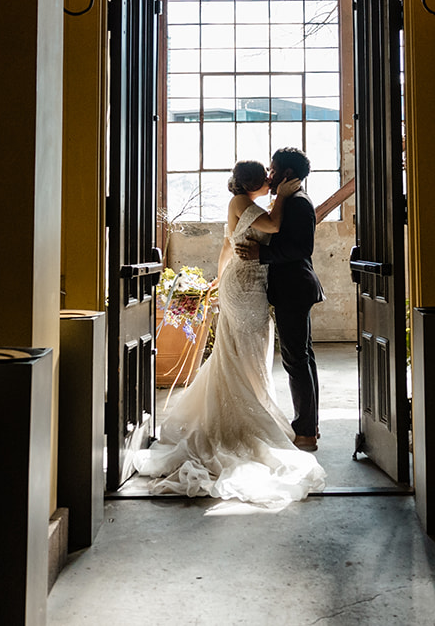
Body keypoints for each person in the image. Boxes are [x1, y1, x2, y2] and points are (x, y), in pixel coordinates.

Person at [136, 160, 326, 506]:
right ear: (255, 181)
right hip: (246, 289)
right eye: (266, 173)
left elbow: (228, 245)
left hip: (249, 284)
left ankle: (291, 422)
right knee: (251, 350)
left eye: (274, 170)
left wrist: (217, 277)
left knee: (252, 352)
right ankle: (254, 418)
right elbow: (270, 226)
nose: (271, 176)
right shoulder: (252, 204)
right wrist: (280, 197)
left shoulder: (265, 203)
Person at [234, 147, 323, 452]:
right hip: (293, 288)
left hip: (294, 288)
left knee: (296, 360)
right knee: (303, 357)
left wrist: (263, 254)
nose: (268, 176)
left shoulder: (298, 203)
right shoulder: (292, 200)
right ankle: (309, 425)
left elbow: (302, 249)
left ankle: (306, 431)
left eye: (272, 170)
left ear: (285, 173)